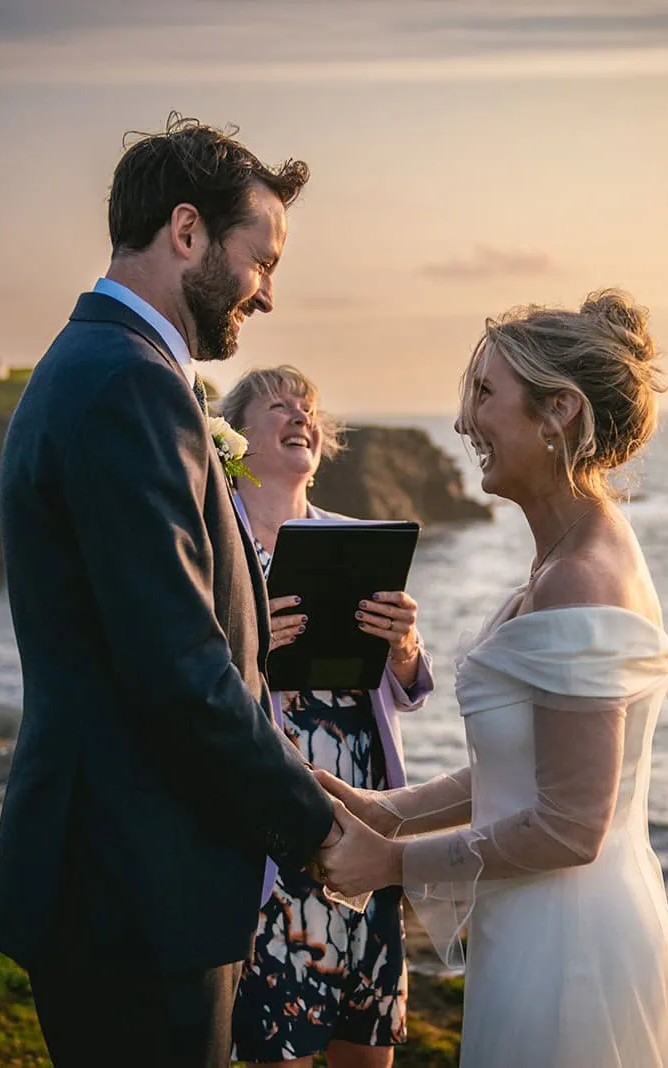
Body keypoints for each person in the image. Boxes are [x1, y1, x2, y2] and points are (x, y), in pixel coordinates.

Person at [0, 117, 356, 1068]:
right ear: (186, 232)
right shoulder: (128, 384)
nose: (267, 293)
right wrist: (314, 825)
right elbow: (178, 664)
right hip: (131, 883)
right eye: (259, 259)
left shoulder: (109, 365)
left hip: (117, 869)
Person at [313, 290, 668, 1067]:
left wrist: (392, 864)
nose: (463, 422)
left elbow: (568, 827)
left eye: (485, 395)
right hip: (534, 925)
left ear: (558, 411)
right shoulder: (560, 561)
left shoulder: (582, 579)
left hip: (571, 954)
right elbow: (521, 765)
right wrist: (389, 812)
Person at [217, 366, 434, 1067]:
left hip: (362, 833)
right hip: (274, 843)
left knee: (366, 1051)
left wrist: (403, 646)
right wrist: (251, 649)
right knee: (279, 1051)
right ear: (234, 436)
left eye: (308, 408)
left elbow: (404, 688)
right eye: (279, 405)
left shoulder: (356, 541)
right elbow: (188, 685)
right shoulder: (215, 552)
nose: (301, 415)